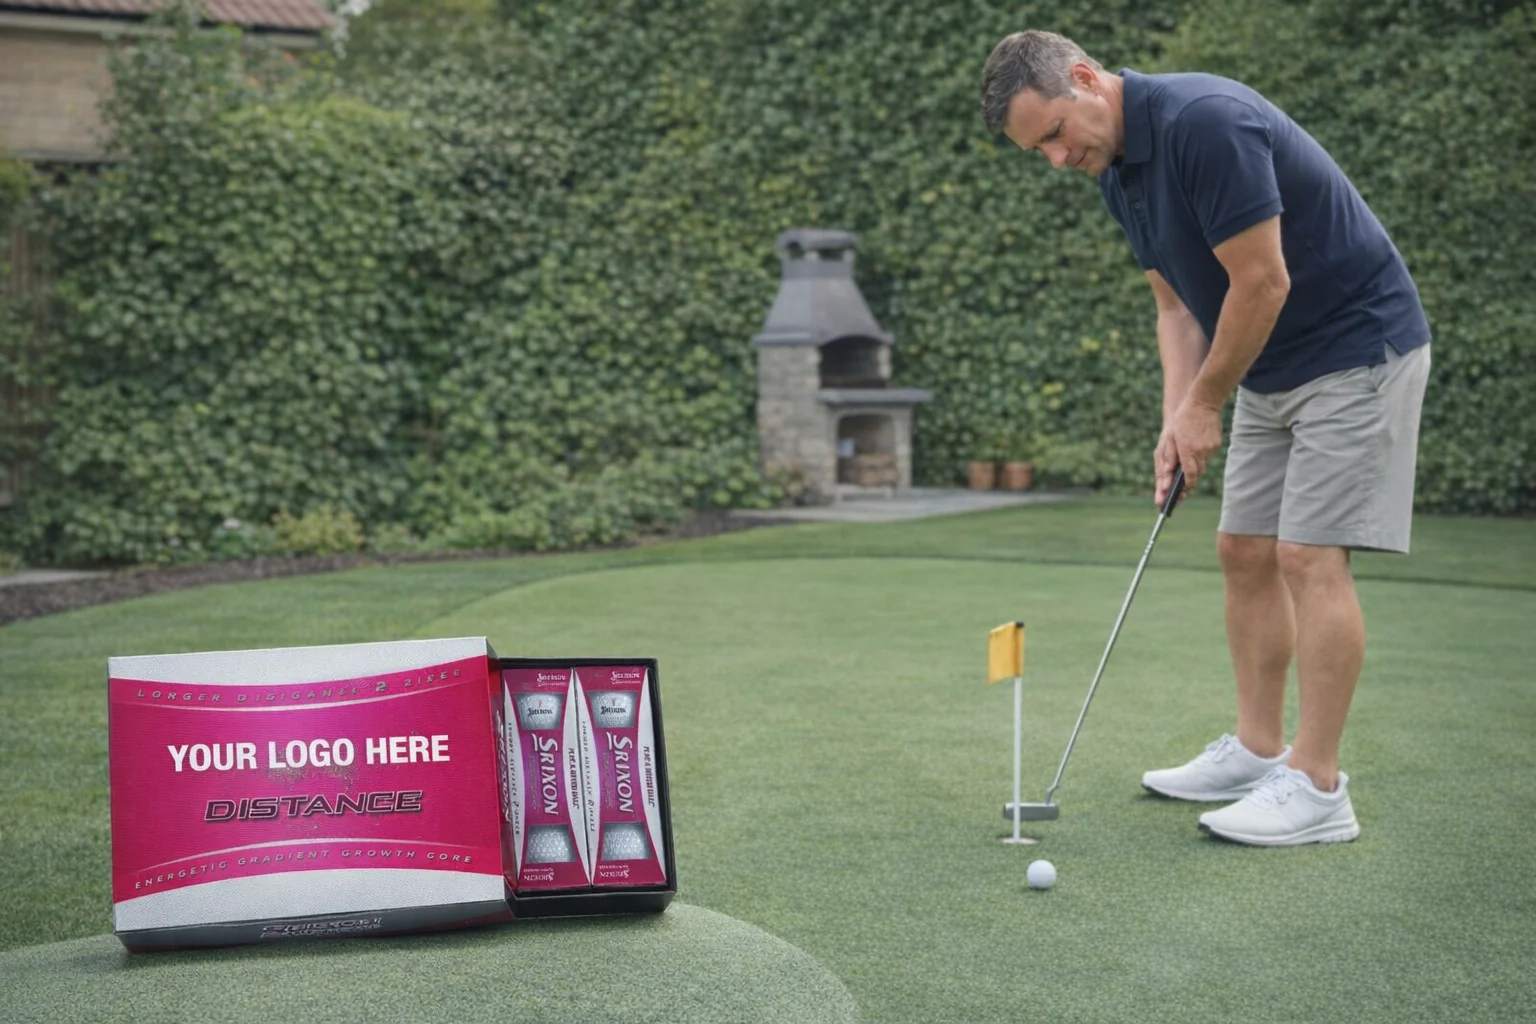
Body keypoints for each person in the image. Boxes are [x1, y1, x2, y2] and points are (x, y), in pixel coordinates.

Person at [978, 31, 1432, 846]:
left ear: (1085, 79)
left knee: (1308, 555)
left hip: (1356, 348)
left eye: (1054, 134)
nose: (1055, 159)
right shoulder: (1116, 172)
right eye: (1037, 150)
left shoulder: (1204, 122)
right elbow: (1177, 307)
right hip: (1266, 360)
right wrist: (1177, 415)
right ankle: (1259, 750)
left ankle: (1318, 786)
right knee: (1243, 549)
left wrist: (1206, 403)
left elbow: (1264, 280)